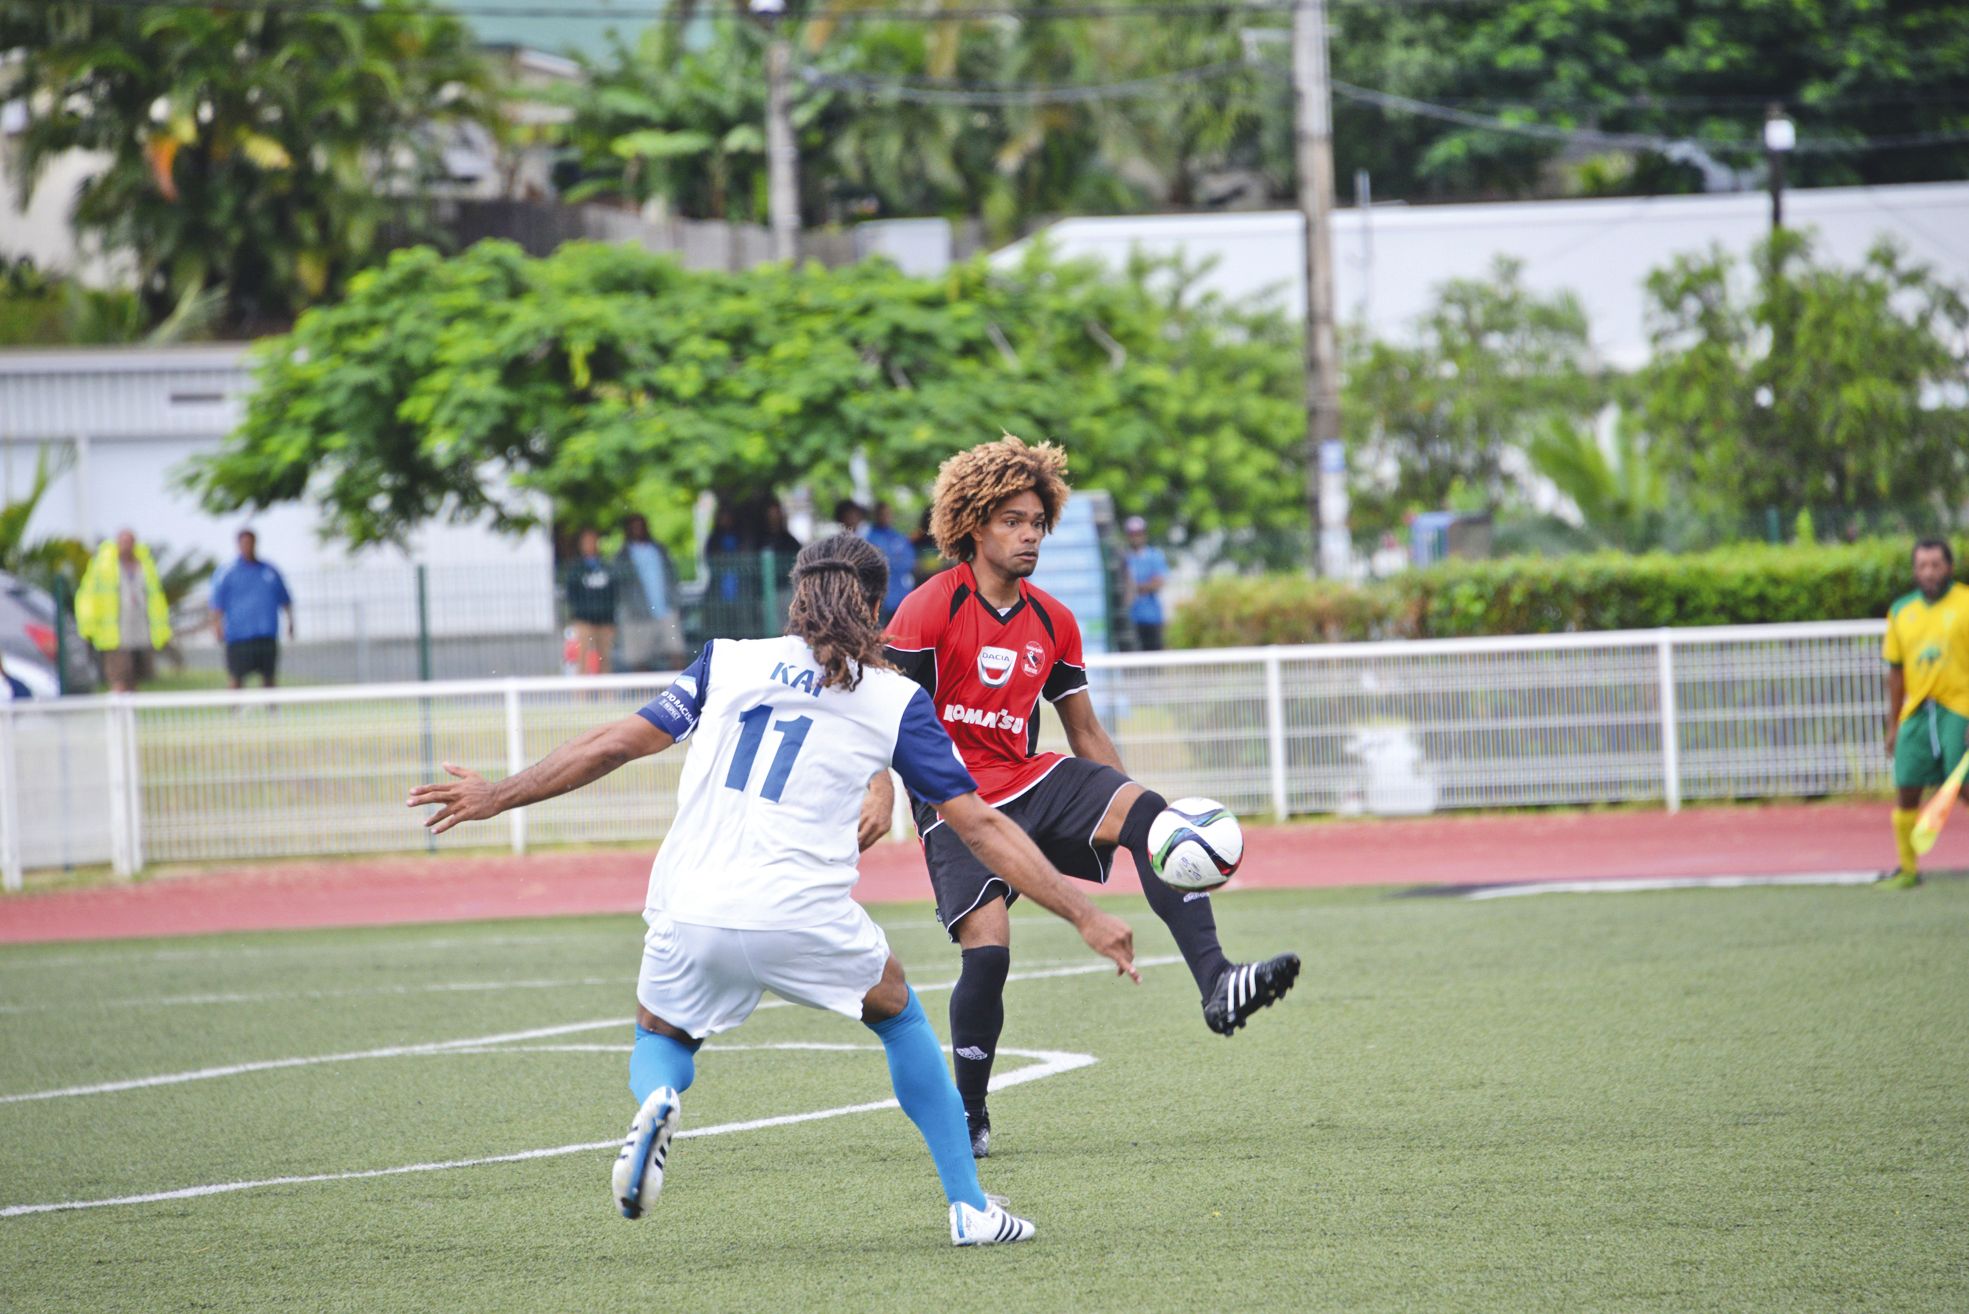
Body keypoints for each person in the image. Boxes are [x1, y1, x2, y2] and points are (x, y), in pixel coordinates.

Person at [407, 535, 1137, 1246]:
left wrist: (498, 794)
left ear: (797, 598)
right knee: (898, 1016)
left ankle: (658, 1099)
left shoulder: (726, 661)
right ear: (875, 609)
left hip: (691, 903)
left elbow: (614, 744)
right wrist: (1082, 913)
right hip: (801, 914)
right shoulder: (894, 699)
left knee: (660, 1034)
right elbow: (978, 824)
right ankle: (970, 1208)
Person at [872, 435, 1299, 1159]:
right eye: (1012, 521)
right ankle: (967, 1112)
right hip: (956, 800)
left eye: (1038, 522)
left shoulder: (1053, 620)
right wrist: (879, 787)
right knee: (988, 953)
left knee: (1150, 815)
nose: (1029, 535)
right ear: (973, 524)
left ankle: (1217, 982)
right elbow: (877, 710)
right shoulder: (928, 607)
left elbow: (1085, 731)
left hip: (1031, 778)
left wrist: (1137, 810)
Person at [1880, 537, 1969, 888]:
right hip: (1917, 711)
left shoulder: (1965, 602)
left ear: (1949, 567)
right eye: (1922, 565)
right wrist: (1893, 725)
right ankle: (1907, 869)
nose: (1929, 572)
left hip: (1959, 707)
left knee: (1961, 784)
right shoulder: (1901, 611)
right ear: (1915, 571)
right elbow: (1896, 672)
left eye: (1936, 564)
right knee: (1906, 785)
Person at [76, 530, 170, 694]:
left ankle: (131, 709)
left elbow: (156, 597)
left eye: (129, 542)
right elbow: (87, 596)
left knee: (134, 678)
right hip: (115, 633)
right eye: (123, 542)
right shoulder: (103, 566)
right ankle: (116, 708)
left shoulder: (144, 565)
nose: (126, 546)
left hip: (140, 631)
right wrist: (87, 626)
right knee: (119, 677)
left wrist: (160, 629)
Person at [208, 529, 294, 690]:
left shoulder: (269, 571)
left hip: (266, 635)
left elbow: (285, 599)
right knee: (236, 678)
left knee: (269, 678)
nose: (247, 546)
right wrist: (217, 627)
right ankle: (234, 707)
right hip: (238, 637)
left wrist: (290, 622)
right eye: (244, 543)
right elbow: (216, 604)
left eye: (250, 543)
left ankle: (271, 706)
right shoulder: (227, 572)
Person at [618, 514, 684, 670]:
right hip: (638, 613)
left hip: (665, 608)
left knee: (676, 651)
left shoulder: (659, 550)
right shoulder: (623, 556)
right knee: (639, 658)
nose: (638, 530)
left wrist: (674, 599)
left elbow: (672, 576)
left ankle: (678, 685)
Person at [562, 528, 620, 676]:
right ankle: (583, 690)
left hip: (605, 619)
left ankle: (606, 690)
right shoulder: (576, 569)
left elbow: (614, 592)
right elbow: (571, 593)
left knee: (605, 659)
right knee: (582, 658)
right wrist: (578, 613)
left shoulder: (606, 567)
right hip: (584, 620)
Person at [864, 500, 917, 622]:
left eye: (887, 514)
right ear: (876, 515)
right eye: (882, 514)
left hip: (901, 594)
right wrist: (894, 560)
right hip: (879, 596)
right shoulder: (869, 537)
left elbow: (909, 561)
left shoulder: (899, 537)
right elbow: (873, 563)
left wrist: (890, 560)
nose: (885, 517)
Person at [1123, 515, 1170, 652]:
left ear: (1144, 534)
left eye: (1138, 533)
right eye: (1132, 534)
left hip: (1151, 617)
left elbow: (1158, 582)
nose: (1135, 537)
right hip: (1130, 619)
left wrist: (1134, 587)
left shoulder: (1154, 556)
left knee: (1154, 656)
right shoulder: (1124, 558)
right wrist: (1145, 585)